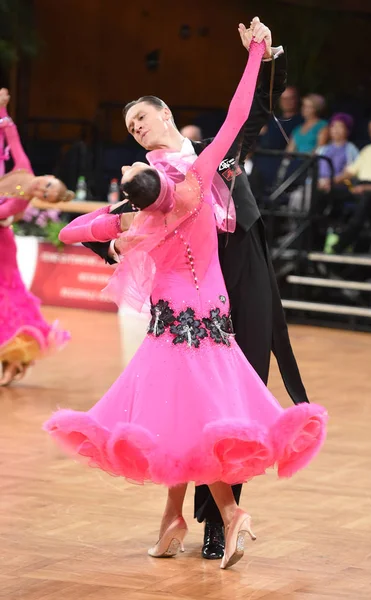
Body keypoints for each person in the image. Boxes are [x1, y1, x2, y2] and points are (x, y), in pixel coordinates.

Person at [44, 38, 327, 571]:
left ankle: (219, 512)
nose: (136, 130)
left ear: (166, 114)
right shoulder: (174, 188)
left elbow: (245, 109)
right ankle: (185, 516)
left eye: (142, 120)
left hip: (208, 302)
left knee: (186, 411)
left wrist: (258, 54)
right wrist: (120, 221)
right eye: (129, 129)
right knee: (181, 411)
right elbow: (80, 227)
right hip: (201, 310)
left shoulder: (183, 177)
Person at [0, 88, 71, 385]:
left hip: (1, 247)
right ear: (49, 176)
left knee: (7, 301)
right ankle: (13, 360)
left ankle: (13, 359)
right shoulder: (24, 169)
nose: (42, 188)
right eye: (49, 184)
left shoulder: (20, 202)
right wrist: (3, 110)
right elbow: (12, 140)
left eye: (46, 194)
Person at [324, 115, 371, 254]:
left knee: (366, 198)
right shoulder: (368, 149)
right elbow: (350, 172)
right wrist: (330, 182)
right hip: (360, 188)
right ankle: (317, 233)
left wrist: (366, 188)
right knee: (327, 192)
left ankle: (343, 242)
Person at [317, 113, 359, 190]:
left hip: (339, 184)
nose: (336, 129)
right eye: (333, 126)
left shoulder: (351, 149)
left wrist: (330, 182)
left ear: (347, 130)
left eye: (340, 126)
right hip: (319, 183)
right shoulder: (323, 149)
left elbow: (351, 173)